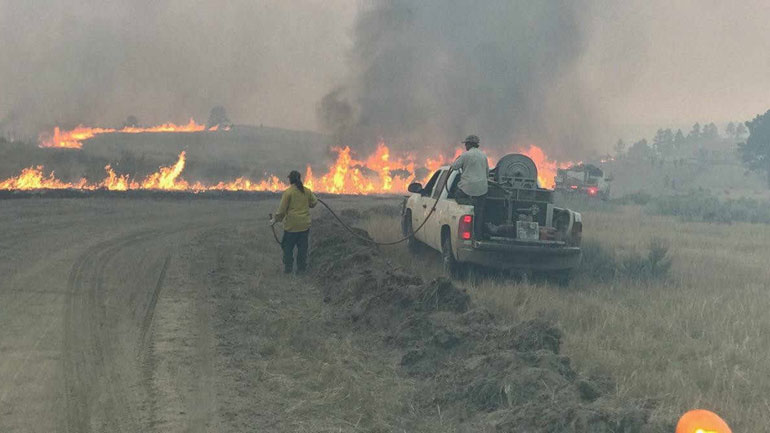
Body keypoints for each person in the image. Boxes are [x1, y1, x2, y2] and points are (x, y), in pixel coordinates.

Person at [270, 170, 318, 274]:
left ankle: (288, 269)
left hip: (291, 227)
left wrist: (275, 220)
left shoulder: (288, 192)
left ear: (290, 180)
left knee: (287, 248)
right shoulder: (307, 191)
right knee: (302, 249)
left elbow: (282, 211)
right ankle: (301, 270)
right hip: (304, 226)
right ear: (299, 179)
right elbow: (314, 203)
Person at [450, 135, 489, 240]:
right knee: (479, 212)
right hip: (482, 189)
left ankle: (469, 202)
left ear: (469, 144)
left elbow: (454, 167)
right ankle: (478, 235)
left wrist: (458, 159)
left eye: (466, 144)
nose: (465, 146)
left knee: (457, 195)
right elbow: (487, 173)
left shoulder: (465, 155)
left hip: (466, 188)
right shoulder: (483, 156)